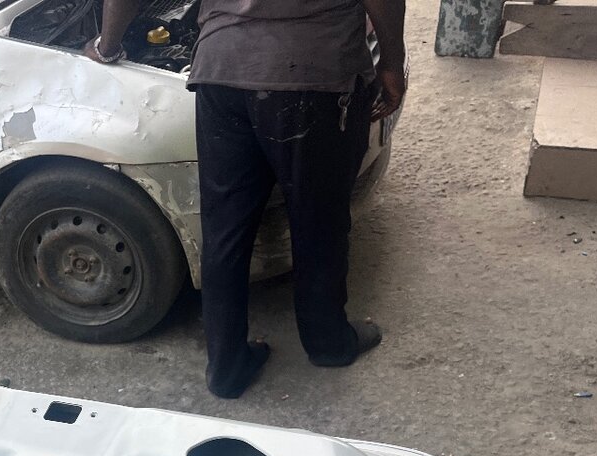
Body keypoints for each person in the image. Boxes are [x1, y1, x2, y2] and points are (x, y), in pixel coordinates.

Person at [86, 0, 407, 398]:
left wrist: (107, 45)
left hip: (222, 74)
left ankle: (226, 365)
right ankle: (328, 342)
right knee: (319, 221)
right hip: (316, 75)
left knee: (224, 227)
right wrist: (392, 62)